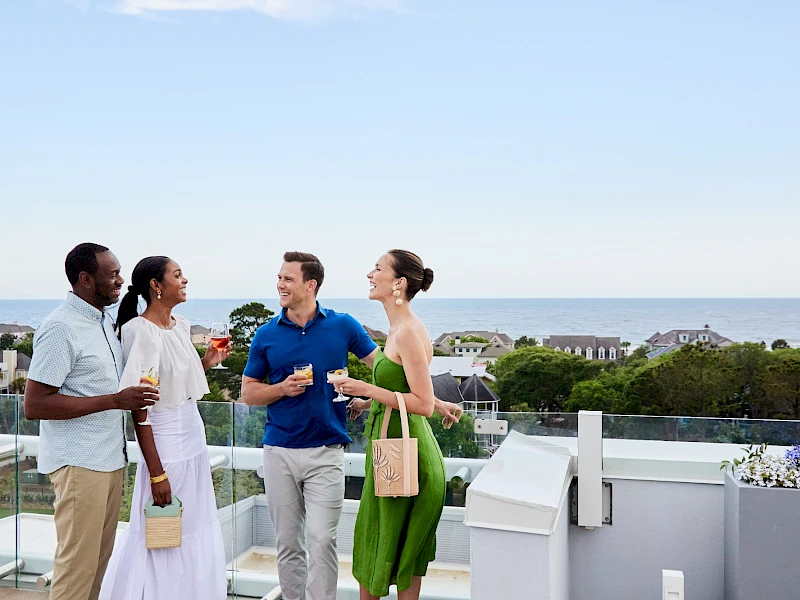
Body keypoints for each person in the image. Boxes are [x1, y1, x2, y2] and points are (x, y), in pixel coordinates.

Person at [240, 251, 380, 600]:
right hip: (279, 452)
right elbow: (248, 393)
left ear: (310, 284)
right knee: (288, 543)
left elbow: (382, 367)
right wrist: (281, 389)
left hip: (326, 452)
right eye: (279, 277)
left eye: (288, 278)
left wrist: (370, 397)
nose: (280, 284)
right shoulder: (266, 334)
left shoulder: (343, 325)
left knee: (321, 540)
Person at [24, 243, 159, 600]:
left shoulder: (102, 322)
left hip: (110, 461)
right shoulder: (59, 328)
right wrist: (116, 401)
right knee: (75, 572)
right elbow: (35, 404)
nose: (120, 280)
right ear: (85, 279)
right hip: (79, 464)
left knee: (97, 567)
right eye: (112, 274)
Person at [98, 256, 229, 600]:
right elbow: (140, 408)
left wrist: (208, 361)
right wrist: (156, 473)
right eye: (177, 275)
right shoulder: (139, 331)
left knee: (192, 530)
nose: (185, 280)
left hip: (193, 439)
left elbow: (178, 383)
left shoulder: (181, 324)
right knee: (164, 535)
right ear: (156, 286)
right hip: (166, 447)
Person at [334, 249, 446, 600]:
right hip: (394, 447)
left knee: (385, 547)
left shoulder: (408, 331)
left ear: (398, 282)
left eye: (378, 269)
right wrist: (368, 401)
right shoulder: (399, 327)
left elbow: (423, 405)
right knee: (390, 548)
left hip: (403, 456)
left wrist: (367, 387)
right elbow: (406, 390)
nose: (370, 274)